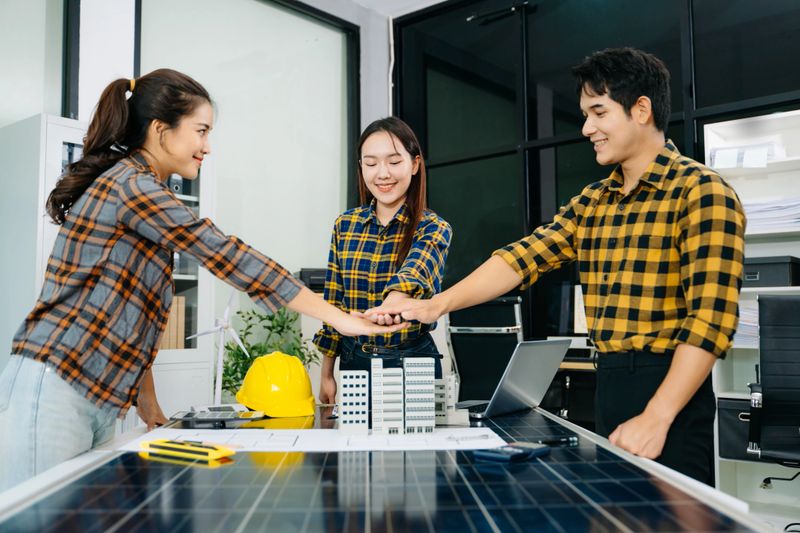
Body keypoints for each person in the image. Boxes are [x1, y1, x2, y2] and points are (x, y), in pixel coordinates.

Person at [0, 69, 404, 490]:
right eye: (201, 131)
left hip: (97, 397)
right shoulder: (132, 187)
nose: (207, 147)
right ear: (161, 130)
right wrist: (343, 320)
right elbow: (226, 253)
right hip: (56, 389)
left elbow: (130, 313)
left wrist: (146, 398)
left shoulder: (145, 190)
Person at [366, 48, 745, 485]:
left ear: (641, 109)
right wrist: (436, 306)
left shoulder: (702, 192)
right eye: (585, 114)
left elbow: (711, 321)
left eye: (598, 112)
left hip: (671, 392)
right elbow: (521, 259)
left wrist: (657, 417)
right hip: (612, 385)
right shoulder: (594, 201)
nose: (587, 128)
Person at [314, 117, 452, 406]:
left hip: (412, 360)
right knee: (356, 447)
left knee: (417, 449)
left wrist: (391, 304)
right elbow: (334, 302)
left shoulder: (434, 227)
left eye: (393, 161)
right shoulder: (345, 225)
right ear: (362, 167)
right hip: (354, 360)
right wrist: (327, 373)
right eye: (371, 163)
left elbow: (414, 273)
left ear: (414, 165)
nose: (383, 174)